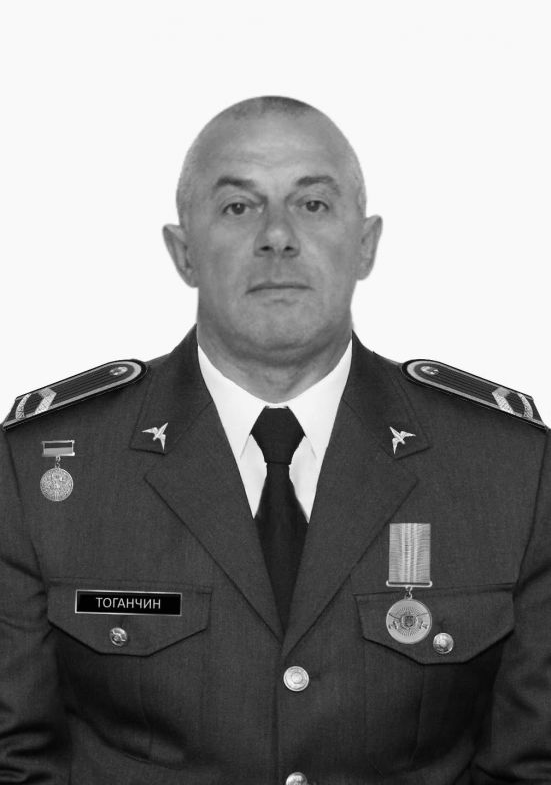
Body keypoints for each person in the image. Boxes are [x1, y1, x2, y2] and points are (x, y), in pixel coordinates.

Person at [1, 96, 550, 785]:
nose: (278, 236)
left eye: (313, 204)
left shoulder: (510, 471)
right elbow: (15, 760)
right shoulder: (43, 472)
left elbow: (532, 764)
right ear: (183, 251)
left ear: (366, 244)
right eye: (238, 207)